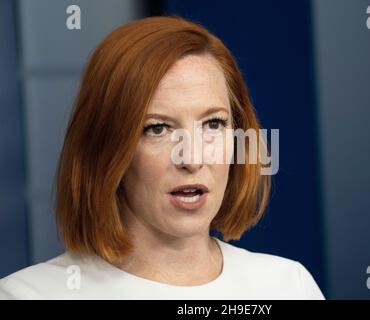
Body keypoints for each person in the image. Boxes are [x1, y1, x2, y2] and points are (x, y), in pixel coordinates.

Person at [0, 16, 324, 299]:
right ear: (107, 149)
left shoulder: (286, 287)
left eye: (213, 123)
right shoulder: (28, 295)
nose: (193, 158)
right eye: (157, 128)